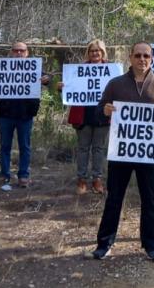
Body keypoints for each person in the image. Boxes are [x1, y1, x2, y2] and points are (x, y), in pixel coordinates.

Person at [93, 43, 154, 262]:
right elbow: (98, 110)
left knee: (151, 199)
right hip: (121, 152)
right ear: (130, 57)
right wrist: (105, 110)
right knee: (114, 199)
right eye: (137, 55)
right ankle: (105, 243)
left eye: (146, 55)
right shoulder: (116, 84)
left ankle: (151, 245)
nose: (142, 59)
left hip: (150, 152)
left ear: (152, 58)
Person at [0, 41, 49, 190]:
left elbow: (47, 79)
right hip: (5, 114)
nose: (18, 53)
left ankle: (23, 175)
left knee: (25, 146)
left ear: (27, 53)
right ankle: (4, 174)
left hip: (26, 114)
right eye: (16, 50)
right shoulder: (2, 68)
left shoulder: (34, 68)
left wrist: (46, 79)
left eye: (21, 51)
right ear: (11, 52)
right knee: (5, 146)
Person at [63, 40, 109, 194]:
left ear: (103, 53)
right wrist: (62, 87)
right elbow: (70, 88)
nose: (95, 53)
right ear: (88, 53)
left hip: (102, 116)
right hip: (83, 115)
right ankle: (81, 179)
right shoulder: (78, 70)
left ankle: (97, 179)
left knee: (98, 149)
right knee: (83, 148)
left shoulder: (111, 70)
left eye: (98, 51)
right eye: (92, 51)